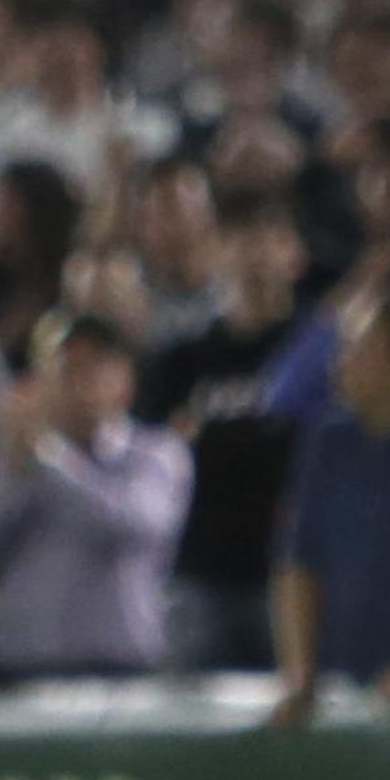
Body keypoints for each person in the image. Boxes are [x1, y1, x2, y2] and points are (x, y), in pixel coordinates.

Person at [0, 314, 191, 679]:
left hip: (119, 666)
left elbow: (136, 525)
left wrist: (52, 460)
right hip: (22, 666)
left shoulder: (155, 453)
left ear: (125, 382)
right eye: (64, 368)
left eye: (95, 368)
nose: (78, 382)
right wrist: (13, 472)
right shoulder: (16, 456)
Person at [134, 189, 309, 672]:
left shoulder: (318, 355)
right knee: (185, 732)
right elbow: (151, 454)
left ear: (295, 256)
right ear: (215, 253)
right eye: (238, 240)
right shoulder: (182, 359)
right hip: (201, 571)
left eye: (270, 239)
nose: (254, 254)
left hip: (291, 574)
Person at [272, 269, 390, 722]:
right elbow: (301, 559)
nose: (340, 363)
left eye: (360, 349)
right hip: (341, 683)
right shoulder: (328, 442)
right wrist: (301, 674)